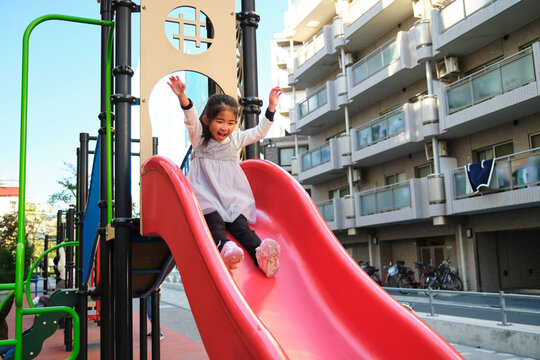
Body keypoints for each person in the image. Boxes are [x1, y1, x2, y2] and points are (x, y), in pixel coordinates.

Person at [167, 75, 283, 277]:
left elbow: (258, 132)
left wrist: (271, 107)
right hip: (208, 197)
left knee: (241, 226)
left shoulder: (235, 140)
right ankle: (226, 248)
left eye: (230, 123)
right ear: (207, 120)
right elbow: (191, 118)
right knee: (215, 224)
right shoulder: (200, 138)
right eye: (219, 121)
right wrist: (182, 96)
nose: (225, 127)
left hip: (231, 197)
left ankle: (260, 256)